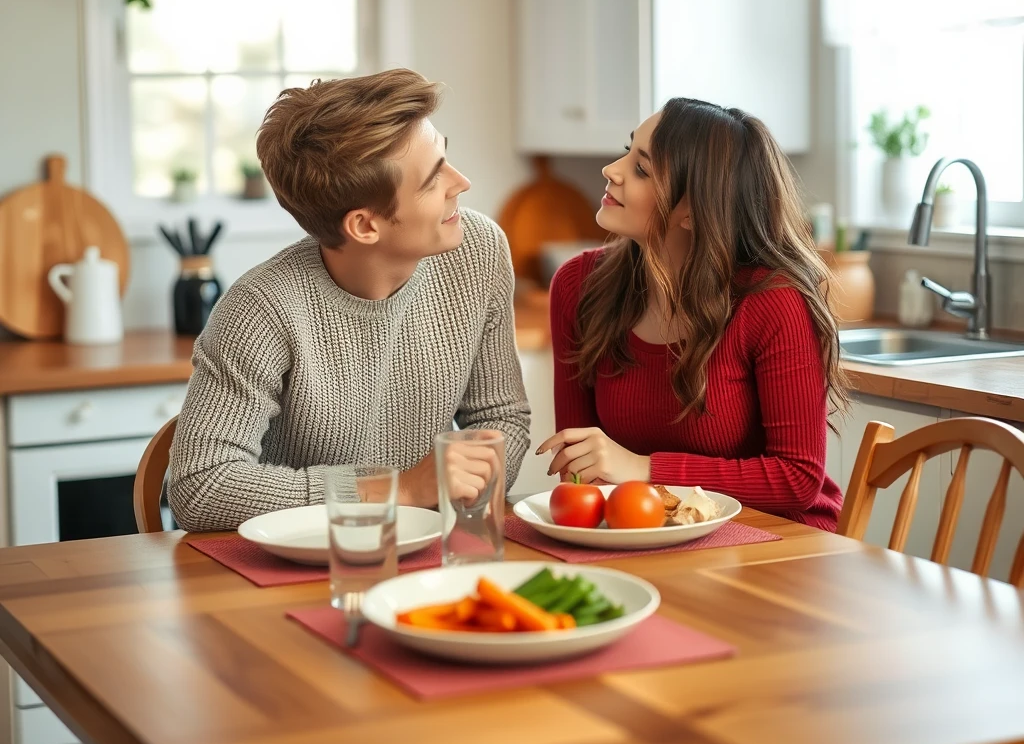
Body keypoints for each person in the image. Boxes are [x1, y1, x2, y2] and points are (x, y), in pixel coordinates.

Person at [168, 69, 530, 532]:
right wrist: (394, 490)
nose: (462, 182)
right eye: (434, 178)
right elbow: (201, 487)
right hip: (299, 564)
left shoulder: (477, 250)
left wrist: (449, 497)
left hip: (425, 550)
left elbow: (502, 418)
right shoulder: (260, 309)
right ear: (364, 226)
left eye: (447, 157)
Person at [539, 98, 848, 531]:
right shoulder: (578, 286)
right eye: (628, 151)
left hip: (778, 540)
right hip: (651, 533)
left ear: (692, 210)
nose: (612, 169)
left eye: (642, 169)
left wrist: (644, 469)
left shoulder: (772, 301)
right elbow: (581, 466)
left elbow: (796, 479)